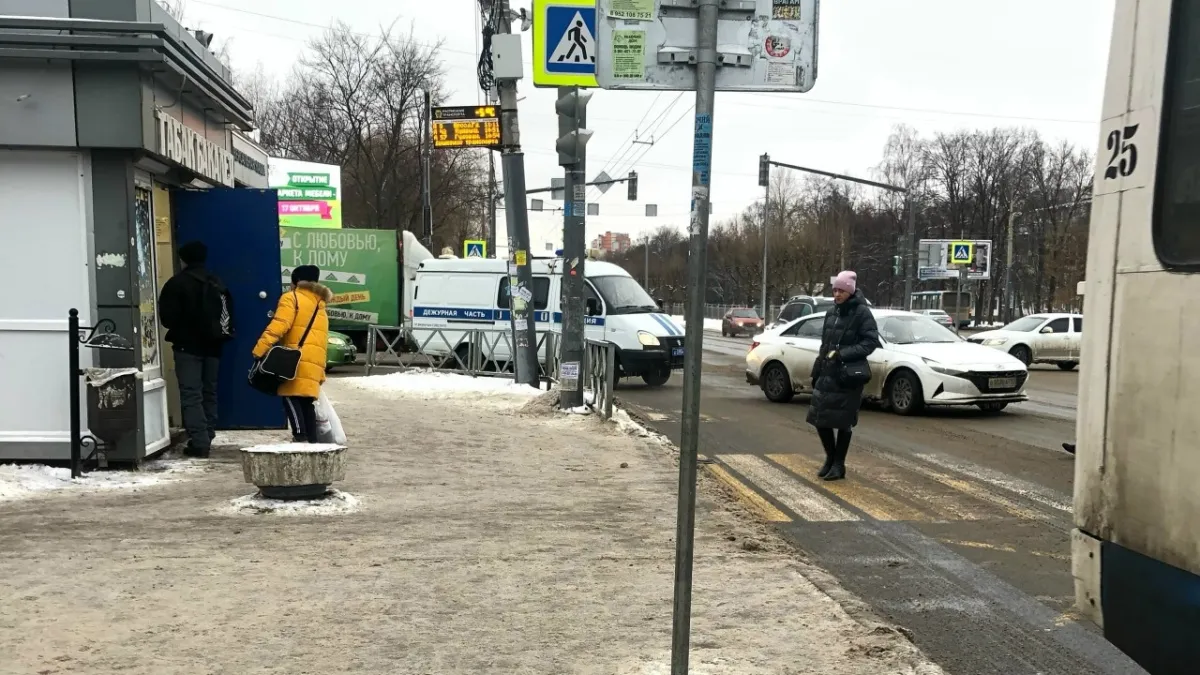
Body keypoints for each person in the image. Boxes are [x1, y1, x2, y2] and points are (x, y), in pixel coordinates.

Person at [158, 241, 235, 458]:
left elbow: (167, 319)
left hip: (187, 347)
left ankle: (200, 442)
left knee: (191, 394)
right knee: (209, 392)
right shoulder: (216, 282)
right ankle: (207, 434)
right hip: (214, 347)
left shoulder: (176, 284)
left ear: (183, 259)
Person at [807, 271, 880, 481]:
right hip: (827, 372)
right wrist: (817, 369)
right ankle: (830, 458)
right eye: (835, 290)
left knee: (843, 422)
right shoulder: (832, 313)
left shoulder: (862, 313)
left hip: (848, 376)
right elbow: (825, 345)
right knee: (820, 419)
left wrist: (843, 354)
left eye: (841, 291)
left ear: (850, 291)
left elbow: (870, 342)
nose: (837, 294)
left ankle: (839, 464)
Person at [252, 265, 331, 443]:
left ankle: (300, 437)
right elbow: (322, 341)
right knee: (306, 401)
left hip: (296, 359)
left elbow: (278, 326)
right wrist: (321, 370)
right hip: (314, 361)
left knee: (290, 396)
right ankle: (312, 441)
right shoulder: (320, 305)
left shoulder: (292, 298)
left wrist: (259, 349)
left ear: (296, 281)